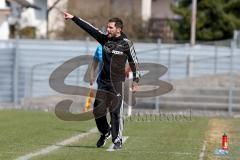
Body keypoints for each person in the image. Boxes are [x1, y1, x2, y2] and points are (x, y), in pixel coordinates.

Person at [64, 12, 140, 150]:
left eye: (110, 28)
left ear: (118, 29)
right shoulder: (105, 40)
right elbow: (90, 29)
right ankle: (105, 132)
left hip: (117, 83)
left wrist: (136, 80)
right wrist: (74, 18)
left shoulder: (127, 44)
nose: (107, 30)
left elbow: (134, 62)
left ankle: (117, 140)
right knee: (97, 111)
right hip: (103, 83)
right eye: (107, 27)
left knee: (116, 112)